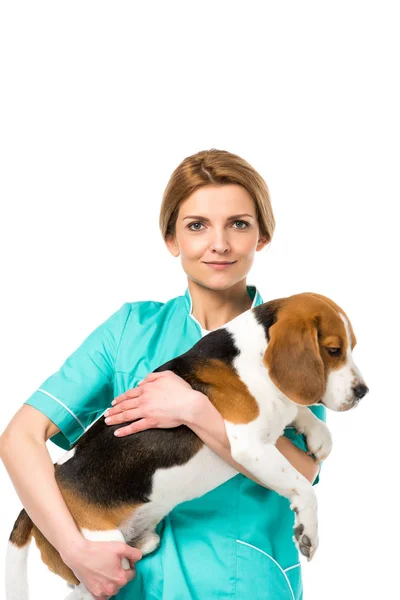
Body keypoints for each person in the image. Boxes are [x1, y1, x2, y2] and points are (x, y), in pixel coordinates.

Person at [0, 148, 326, 600]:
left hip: (245, 582)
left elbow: (303, 472)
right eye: (197, 226)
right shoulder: (130, 330)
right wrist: (75, 550)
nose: (220, 244)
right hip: (133, 584)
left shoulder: (291, 341)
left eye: (239, 223)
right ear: (171, 238)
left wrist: (194, 410)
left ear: (262, 237)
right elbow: (20, 438)